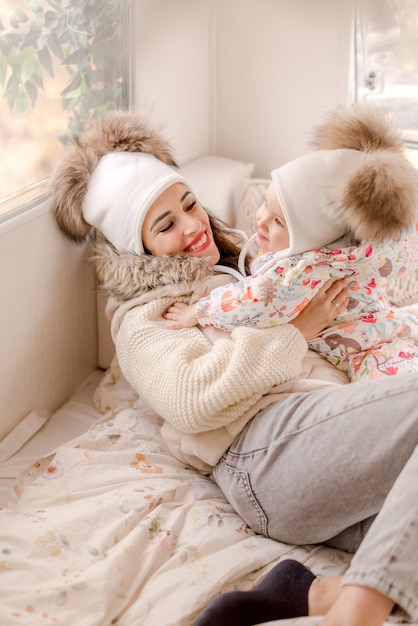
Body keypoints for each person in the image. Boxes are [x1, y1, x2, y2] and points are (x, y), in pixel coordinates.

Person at [49, 105, 418, 626]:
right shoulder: (146, 316)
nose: (194, 226)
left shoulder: (247, 259)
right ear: (141, 247)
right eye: (166, 225)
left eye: (190, 204)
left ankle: (311, 595)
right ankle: (353, 614)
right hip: (264, 453)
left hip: (329, 440)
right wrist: (297, 333)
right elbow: (192, 401)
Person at [164, 104, 418, 382]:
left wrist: (197, 312)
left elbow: (255, 301)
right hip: (390, 323)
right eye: (265, 205)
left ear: (312, 241)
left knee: (392, 393)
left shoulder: (302, 271)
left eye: (278, 222)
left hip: (372, 350)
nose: (260, 220)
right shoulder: (351, 250)